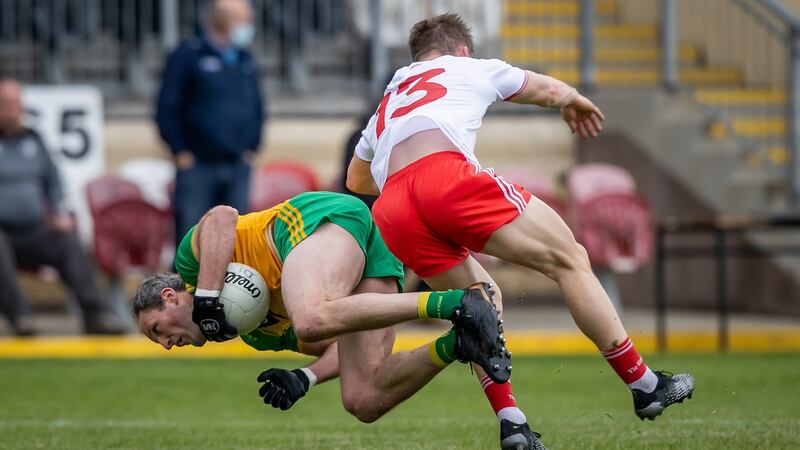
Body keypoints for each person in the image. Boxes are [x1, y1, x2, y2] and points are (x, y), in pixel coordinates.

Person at [347, 13, 695, 448]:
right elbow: (543, 89)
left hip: (393, 208)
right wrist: (573, 98)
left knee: (478, 308)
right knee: (570, 259)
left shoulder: (390, 96)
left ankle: (512, 423)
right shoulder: (470, 66)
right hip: (446, 177)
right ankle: (645, 385)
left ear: (418, 55)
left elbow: (356, 180)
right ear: (461, 50)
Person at [132, 190, 511, 426]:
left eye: (157, 330)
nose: (165, 344)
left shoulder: (192, 268)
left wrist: (208, 297)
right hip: (362, 260)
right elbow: (334, 348)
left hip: (319, 221)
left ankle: (458, 302)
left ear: (170, 297)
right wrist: (305, 377)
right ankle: (458, 343)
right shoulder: (257, 334)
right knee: (363, 399)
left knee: (311, 316)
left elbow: (221, 216)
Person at [0, 79, 125, 336]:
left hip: (34, 229)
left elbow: (53, 181)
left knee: (67, 241)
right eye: (5, 104)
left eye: (16, 103)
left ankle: (97, 315)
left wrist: (58, 211)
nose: (12, 109)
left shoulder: (34, 140)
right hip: (2, 232)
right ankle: (21, 317)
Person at [155, 0, 265, 250]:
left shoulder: (244, 58)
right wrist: (179, 151)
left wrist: (252, 147)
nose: (249, 26)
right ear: (223, 20)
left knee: (235, 240)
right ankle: (185, 290)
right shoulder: (188, 55)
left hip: (237, 165)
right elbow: (167, 107)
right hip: (198, 166)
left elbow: (257, 106)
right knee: (190, 237)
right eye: (244, 20)